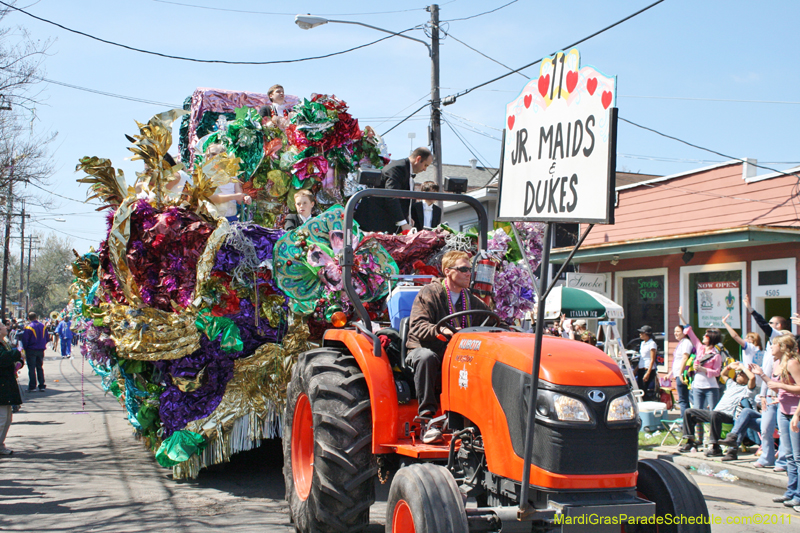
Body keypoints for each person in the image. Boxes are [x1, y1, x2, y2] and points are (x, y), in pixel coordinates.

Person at [406, 250, 492, 443]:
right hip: (424, 348)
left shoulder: (470, 299)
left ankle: (477, 422)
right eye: (463, 269)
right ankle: (426, 421)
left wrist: (509, 330)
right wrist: (440, 330)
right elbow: (418, 326)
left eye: (470, 270)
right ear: (447, 271)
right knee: (426, 357)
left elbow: (491, 320)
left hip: (454, 352)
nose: (468, 274)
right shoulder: (430, 293)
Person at [749, 334, 800, 508]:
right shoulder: (777, 364)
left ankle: (799, 495)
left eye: (774, 345)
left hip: (795, 413)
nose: (771, 347)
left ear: (784, 347)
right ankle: (791, 492)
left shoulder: (792, 363)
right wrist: (762, 375)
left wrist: (782, 387)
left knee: (798, 456)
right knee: (789, 456)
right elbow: (775, 386)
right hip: (783, 411)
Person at [745, 294, 790, 471]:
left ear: (778, 327)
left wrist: (751, 310)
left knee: (784, 431)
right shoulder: (771, 346)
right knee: (765, 429)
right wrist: (762, 395)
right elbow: (765, 373)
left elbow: (763, 324)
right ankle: (767, 457)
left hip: (782, 395)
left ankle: (783, 461)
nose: (768, 326)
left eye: (772, 323)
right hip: (769, 394)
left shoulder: (779, 339)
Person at [679, 361, 757, 456]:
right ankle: (690, 442)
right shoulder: (732, 385)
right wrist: (729, 366)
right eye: (738, 373)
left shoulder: (748, 390)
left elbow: (752, 378)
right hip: (715, 414)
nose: (738, 375)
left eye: (742, 374)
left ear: (747, 379)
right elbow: (723, 374)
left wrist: (743, 367)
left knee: (714, 414)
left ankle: (716, 448)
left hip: (728, 416)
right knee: (689, 412)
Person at [354, 147, 433, 233]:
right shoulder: (397, 169)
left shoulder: (405, 170)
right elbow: (391, 196)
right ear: (418, 159)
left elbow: (405, 200)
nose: (425, 169)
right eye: (425, 165)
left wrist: (408, 217)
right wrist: (403, 223)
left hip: (385, 224)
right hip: (374, 223)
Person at [678, 307, 723, 411]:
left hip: (711, 387)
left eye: (706, 335)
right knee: (697, 410)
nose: (703, 336)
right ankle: (698, 423)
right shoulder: (699, 348)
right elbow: (690, 332)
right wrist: (681, 317)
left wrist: (703, 369)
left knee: (712, 411)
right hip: (697, 385)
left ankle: (711, 423)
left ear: (711, 338)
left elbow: (717, 372)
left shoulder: (716, 355)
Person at [0, 320, 23, 455]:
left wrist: (19, 362)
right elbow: (3, 359)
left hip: (7, 384)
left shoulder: (5, 342)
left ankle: (1, 445)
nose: (6, 327)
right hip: (2, 386)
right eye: (3, 326)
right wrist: (17, 353)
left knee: (8, 418)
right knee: (2, 418)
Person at [667, 323, 694, 420]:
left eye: (678, 331)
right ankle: (687, 420)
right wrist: (670, 374)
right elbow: (677, 361)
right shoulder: (681, 343)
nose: (675, 333)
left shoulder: (686, 343)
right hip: (678, 373)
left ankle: (684, 421)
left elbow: (685, 358)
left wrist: (680, 373)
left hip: (682, 374)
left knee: (683, 400)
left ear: (684, 332)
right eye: (674, 331)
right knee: (683, 399)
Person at [20, 312, 48, 393]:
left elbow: (25, 340)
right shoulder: (43, 326)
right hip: (41, 350)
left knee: (31, 368)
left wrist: (25, 349)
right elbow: (47, 338)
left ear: (28, 318)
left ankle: (32, 386)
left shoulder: (29, 327)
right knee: (39, 367)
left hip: (31, 349)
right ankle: (42, 385)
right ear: (36, 317)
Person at [636, 325, 658, 398]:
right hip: (641, 368)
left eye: (642, 333)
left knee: (644, 389)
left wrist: (648, 373)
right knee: (639, 388)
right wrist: (635, 370)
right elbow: (642, 358)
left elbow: (652, 359)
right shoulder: (642, 343)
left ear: (647, 334)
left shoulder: (652, 343)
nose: (640, 334)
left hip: (648, 369)